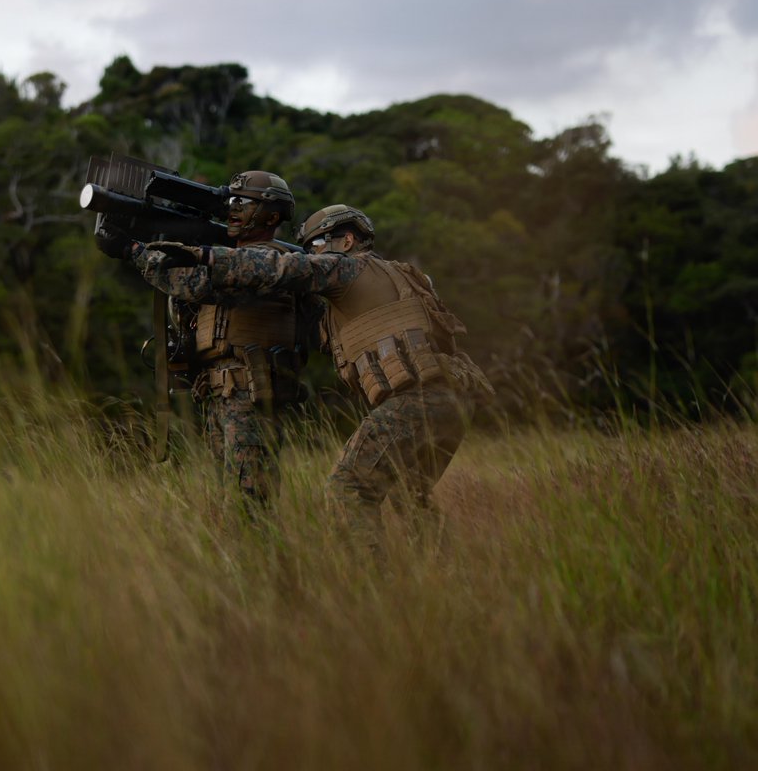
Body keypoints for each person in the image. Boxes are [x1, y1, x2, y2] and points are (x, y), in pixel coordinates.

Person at [139, 205, 495, 548]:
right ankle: (448, 572)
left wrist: (201, 255)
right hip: (457, 401)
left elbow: (277, 268)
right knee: (409, 492)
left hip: (416, 399)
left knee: (348, 489)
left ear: (348, 241)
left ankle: (370, 585)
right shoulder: (406, 276)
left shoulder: (346, 268)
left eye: (317, 246)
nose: (313, 255)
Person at [96, 171, 307, 511]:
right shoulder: (229, 256)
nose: (233, 209)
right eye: (232, 201)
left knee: (249, 504)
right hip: (219, 394)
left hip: (249, 395)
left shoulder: (271, 261)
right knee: (224, 505)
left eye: (244, 203)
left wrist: (131, 249)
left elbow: (192, 283)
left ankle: (264, 562)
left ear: (272, 215)